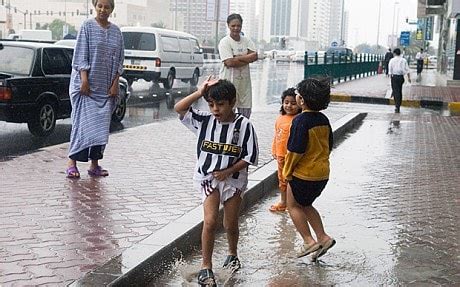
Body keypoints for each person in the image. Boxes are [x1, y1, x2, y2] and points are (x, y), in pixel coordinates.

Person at [174, 77, 259, 286]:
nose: (215, 109)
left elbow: (250, 156)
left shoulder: (244, 125)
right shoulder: (204, 121)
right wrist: (199, 91)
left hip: (234, 180)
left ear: (232, 102)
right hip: (208, 177)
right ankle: (206, 267)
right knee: (210, 221)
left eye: (220, 104)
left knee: (229, 223)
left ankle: (232, 253)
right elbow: (179, 108)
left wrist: (229, 170)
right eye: (211, 104)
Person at [65, 0, 124, 178]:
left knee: (100, 128)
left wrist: (115, 83)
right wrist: (84, 80)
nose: (102, 10)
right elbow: (81, 53)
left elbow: (120, 59)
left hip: (105, 90)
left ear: (112, 9)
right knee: (82, 126)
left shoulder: (116, 32)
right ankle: (72, 163)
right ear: (95, 6)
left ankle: (94, 165)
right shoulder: (87, 27)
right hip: (86, 89)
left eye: (107, 7)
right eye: (100, 6)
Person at [283, 77, 336, 262]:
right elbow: (330, 144)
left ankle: (308, 240)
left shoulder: (300, 121)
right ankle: (323, 237)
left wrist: (286, 173)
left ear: (302, 100)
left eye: (297, 95)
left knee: (292, 205)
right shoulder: (323, 119)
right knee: (306, 204)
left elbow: (294, 151)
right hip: (322, 174)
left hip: (303, 174)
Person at [218, 13, 258, 119]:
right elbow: (229, 63)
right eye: (233, 26)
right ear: (228, 26)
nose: (236, 28)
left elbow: (254, 56)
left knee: (245, 116)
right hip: (228, 84)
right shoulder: (224, 42)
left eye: (238, 26)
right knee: (227, 115)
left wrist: (237, 57)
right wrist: (246, 58)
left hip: (244, 85)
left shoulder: (246, 40)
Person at [269, 88, 301, 212]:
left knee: (294, 181)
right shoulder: (280, 118)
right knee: (282, 180)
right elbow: (276, 136)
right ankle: (283, 202)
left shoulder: (299, 119)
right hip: (281, 155)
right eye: (286, 102)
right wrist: (274, 150)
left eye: (293, 103)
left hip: (293, 156)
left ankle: (294, 203)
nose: (289, 106)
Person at [388, 48, 411, 113]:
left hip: (394, 77)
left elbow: (390, 71)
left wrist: (391, 80)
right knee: (399, 91)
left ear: (394, 53)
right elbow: (407, 70)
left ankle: (397, 106)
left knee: (396, 91)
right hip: (401, 77)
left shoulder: (392, 60)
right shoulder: (404, 60)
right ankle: (398, 105)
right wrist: (409, 78)